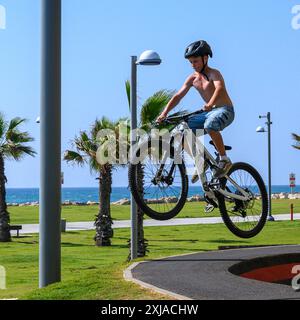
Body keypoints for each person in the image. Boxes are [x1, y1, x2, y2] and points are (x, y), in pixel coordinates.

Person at [156, 40, 235, 181]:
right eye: (191, 62)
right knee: (181, 131)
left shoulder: (214, 74)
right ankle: (201, 161)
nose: (193, 65)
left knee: (210, 125)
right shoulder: (193, 78)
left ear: (205, 58)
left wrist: (210, 104)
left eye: (196, 61)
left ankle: (224, 159)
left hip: (224, 110)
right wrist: (164, 113)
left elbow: (219, 88)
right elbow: (178, 95)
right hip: (208, 113)